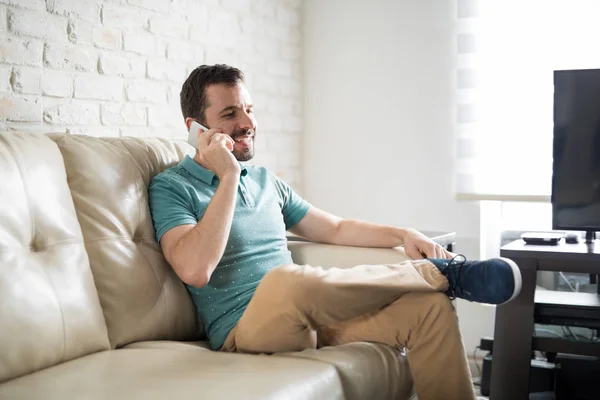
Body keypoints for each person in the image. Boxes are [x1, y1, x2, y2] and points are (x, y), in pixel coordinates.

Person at [148, 64, 522, 400]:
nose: (247, 123)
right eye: (230, 113)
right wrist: (228, 174)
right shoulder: (172, 187)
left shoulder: (264, 181)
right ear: (195, 128)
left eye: (249, 109)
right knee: (284, 281)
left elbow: (335, 228)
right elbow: (195, 270)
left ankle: (438, 283)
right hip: (245, 331)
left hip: (312, 319)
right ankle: (442, 274)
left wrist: (403, 233)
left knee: (429, 308)